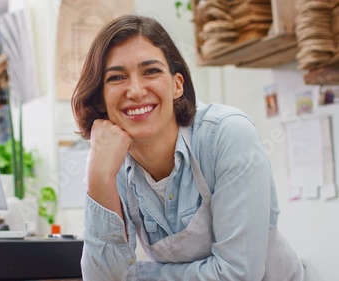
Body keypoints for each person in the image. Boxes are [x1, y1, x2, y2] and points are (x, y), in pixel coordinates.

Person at [71, 14, 304, 280]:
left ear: (177, 85)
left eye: (151, 71)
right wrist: (99, 177)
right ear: (101, 98)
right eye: (116, 78)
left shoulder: (227, 136)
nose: (135, 91)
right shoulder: (110, 164)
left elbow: (238, 274)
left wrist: (141, 276)